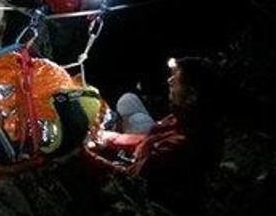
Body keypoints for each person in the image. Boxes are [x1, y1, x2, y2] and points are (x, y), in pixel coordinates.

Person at [85, 56, 224, 214]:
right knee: (127, 100)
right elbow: (151, 139)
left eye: (176, 80)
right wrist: (112, 138)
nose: (169, 81)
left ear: (192, 96)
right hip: (147, 159)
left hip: (151, 196)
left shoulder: (180, 147)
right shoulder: (188, 117)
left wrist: (85, 155)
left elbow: (127, 181)